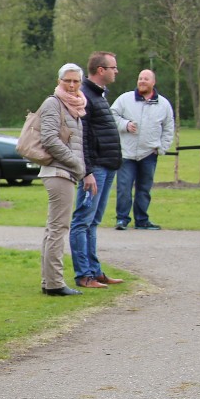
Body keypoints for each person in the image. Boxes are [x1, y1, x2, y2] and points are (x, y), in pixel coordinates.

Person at [70, 51, 123, 290]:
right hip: (96, 169)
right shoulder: (85, 96)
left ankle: (95, 271)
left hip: (107, 165)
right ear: (101, 70)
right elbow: (82, 138)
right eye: (113, 67)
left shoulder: (99, 95)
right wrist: (87, 171)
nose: (116, 71)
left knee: (93, 222)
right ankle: (83, 274)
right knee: (83, 220)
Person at [37, 65, 87, 296]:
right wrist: (76, 164)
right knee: (58, 228)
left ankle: (49, 280)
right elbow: (49, 139)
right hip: (58, 172)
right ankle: (55, 283)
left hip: (65, 172)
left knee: (54, 228)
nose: (72, 85)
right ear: (59, 81)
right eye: (68, 80)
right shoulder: (53, 103)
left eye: (76, 81)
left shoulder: (75, 105)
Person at [112, 69, 174, 230]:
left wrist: (161, 148)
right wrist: (125, 125)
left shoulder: (163, 104)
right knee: (124, 188)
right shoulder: (125, 99)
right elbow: (111, 116)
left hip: (149, 153)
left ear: (153, 82)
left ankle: (141, 220)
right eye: (140, 78)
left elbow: (168, 128)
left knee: (144, 189)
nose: (142, 81)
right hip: (126, 153)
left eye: (146, 79)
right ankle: (122, 219)